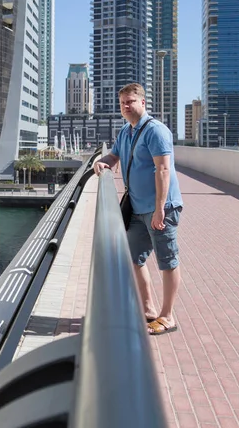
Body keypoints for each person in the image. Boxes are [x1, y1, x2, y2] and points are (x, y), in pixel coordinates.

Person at [93, 83, 183, 336]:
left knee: (167, 261)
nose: (126, 106)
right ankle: (148, 310)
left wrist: (159, 209)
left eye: (131, 101)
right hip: (137, 208)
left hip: (161, 209)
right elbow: (114, 157)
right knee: (133, 258)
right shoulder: (126, 131)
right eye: (122, 102)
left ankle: (168, 316)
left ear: (143, 103)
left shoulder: (156, 131)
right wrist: (102, 163)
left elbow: (163, 170)